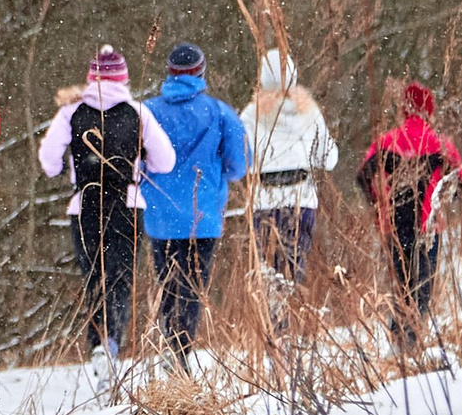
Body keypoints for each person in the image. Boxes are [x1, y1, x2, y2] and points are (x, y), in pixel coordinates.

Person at [36, 46, 176, 374]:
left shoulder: (71, 113)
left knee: (94, 277)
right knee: (120, 277)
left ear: (90, 79)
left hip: (85, 203)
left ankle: (99, 342)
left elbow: (48, 159)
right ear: (124, 79)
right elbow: (166, 161)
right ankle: (111, 342)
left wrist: (63, 167)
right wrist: (141, 161)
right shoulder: (138, 112)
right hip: (126, 203)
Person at [139, 44, 250, 361]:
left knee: (166, 283)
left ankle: (168, 345)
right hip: (203, 216)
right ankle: (181, 351)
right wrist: (214, 174)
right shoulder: (219, 112)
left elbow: (133, 161)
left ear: (169, 72)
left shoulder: (147, 112)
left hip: (159, 215)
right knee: (192, 287)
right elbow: (240, 165)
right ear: (201, 71)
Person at [355, 82, 462, 334]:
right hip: (428, 225)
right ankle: (411, 339)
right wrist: (442, 198)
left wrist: (378, 204)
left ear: (404, 109)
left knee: (401, 285)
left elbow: (362, 176)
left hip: (394, 225)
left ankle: (399, 338)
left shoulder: (386, 141)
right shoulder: (441, 144)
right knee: (422, 288)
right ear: (430, 110)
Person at [241, 50, 338, 283]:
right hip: (300, 200)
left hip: (265, 200)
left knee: (267, 272)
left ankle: (272, 306)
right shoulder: (309, 112)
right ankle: (291, 301)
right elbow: (330, 159)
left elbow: (241, 159)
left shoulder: (251, 115)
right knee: (294, 268)